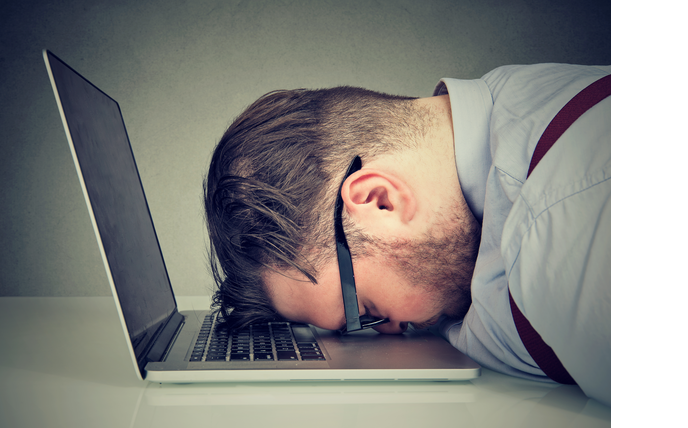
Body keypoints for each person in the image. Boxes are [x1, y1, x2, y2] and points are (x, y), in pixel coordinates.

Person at [203, 63, 611, 405]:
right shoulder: (502, 111)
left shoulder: (568, 223)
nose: (391, 331)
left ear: (379, 200)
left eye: (363, 312)